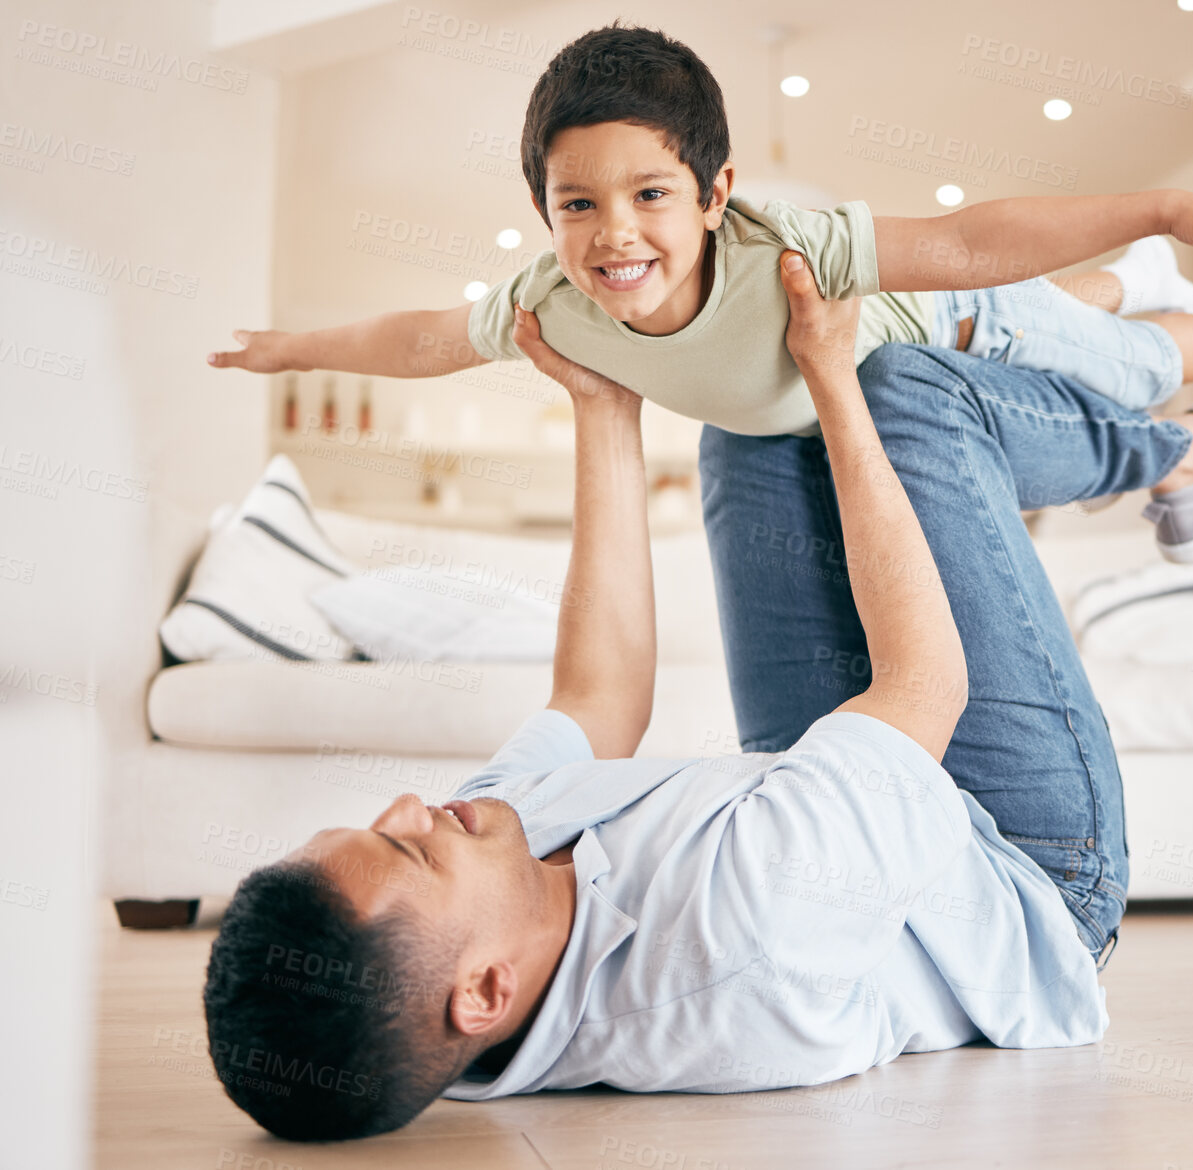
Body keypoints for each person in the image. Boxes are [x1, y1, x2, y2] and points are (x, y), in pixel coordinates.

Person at [205, 254, 1130, 1140]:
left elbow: (597, 695)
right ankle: (1180, 451)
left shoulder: (490, 871)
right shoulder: (745, 936)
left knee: (748, 415)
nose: (412, 807)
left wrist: (601, 399)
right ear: (483, 992)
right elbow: (925, 688)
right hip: (1016, 861)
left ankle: (1099, 322)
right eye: (405, 850)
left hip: (831, 794)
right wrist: (835, 379)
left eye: (378, 823)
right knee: (899, 395)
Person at [207, 23, 1193, 562]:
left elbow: (962, 243)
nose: (615, 236)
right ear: (544, 209)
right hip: (908, 355)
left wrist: (1155, 205)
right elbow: (422, 340)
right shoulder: (550, 301)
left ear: (714, 194)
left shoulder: (779, 243)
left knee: (1147, 367)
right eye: (577, 205)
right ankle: (1128, 288)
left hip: (968, 330)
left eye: (650, 194)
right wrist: (295, 348)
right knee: (1107, 327)